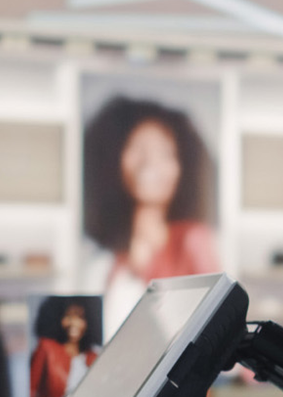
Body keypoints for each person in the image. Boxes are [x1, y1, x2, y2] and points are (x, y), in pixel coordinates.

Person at [82, 97, 219, 334]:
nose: (149, 162)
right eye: (137, 148)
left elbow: (219, 325)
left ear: (183, 166)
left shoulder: (192, 241)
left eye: (165, 153)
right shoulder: (107, 262)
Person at [28, 297, 102, 397]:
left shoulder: (94, 356)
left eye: (80, 317)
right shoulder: (46, 348)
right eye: (68, 316)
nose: (74, 323)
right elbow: (31, 393)